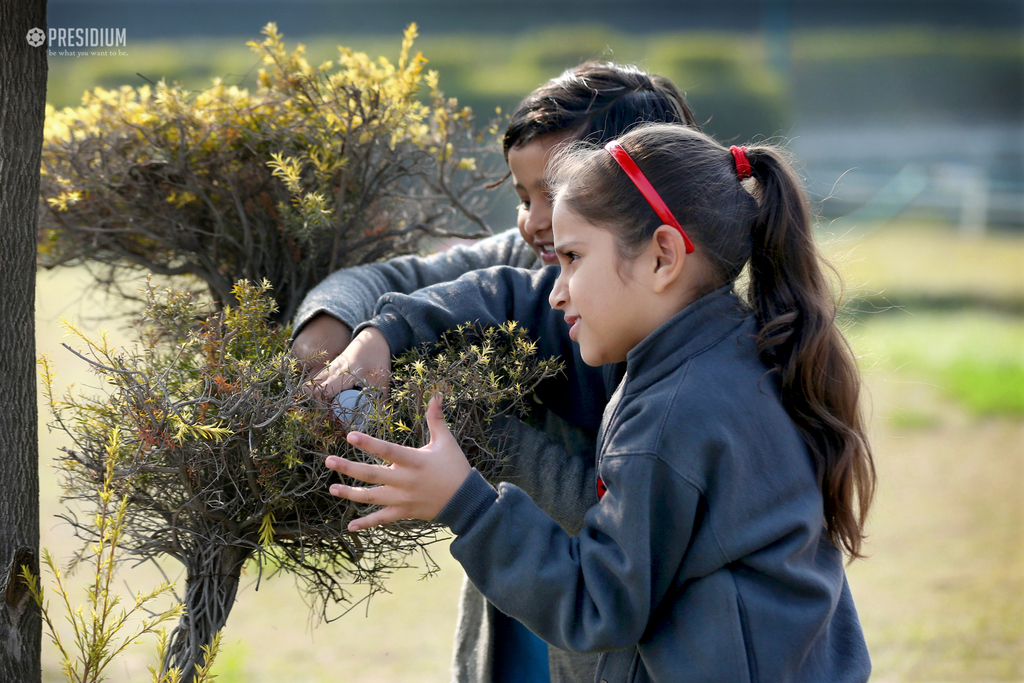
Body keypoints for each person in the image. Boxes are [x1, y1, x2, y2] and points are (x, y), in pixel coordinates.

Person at [322, 122, 877, 681]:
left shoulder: (671, 415)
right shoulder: (739, 355)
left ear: (662, 256)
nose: (557, 289)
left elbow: (599, 604)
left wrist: (463, 503)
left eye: (573, 258)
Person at [294, 63, 701, 683]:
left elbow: (618, 533)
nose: (535, 222)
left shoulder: (691, 355)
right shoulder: (525, 260)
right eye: (523, 197)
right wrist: (337, 334)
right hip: (516, 634)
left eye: (556, 193)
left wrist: (481, 441)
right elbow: (386, 282)